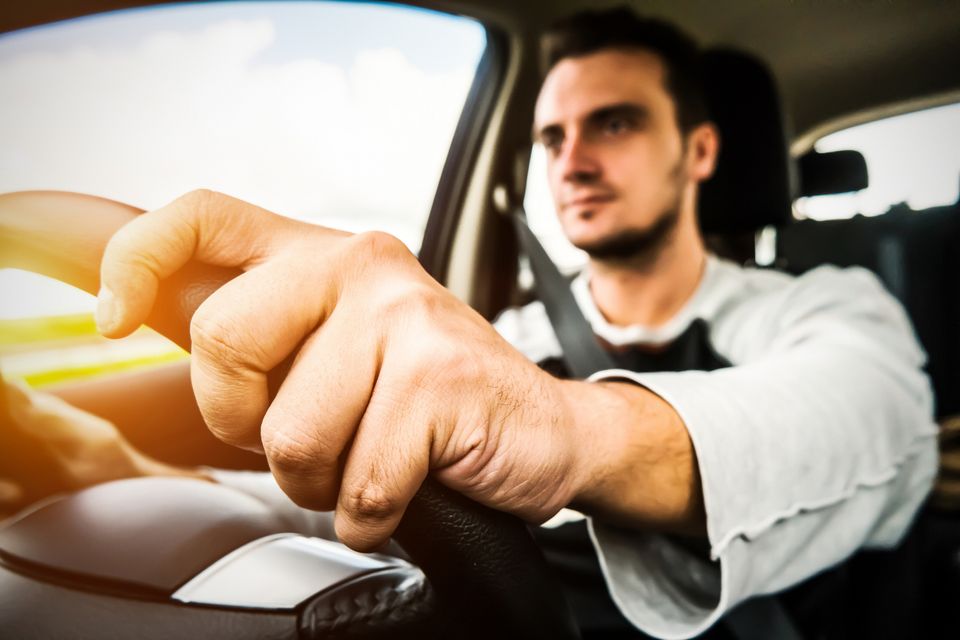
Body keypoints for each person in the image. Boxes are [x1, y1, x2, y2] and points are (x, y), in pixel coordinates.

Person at [0, 8, 938, 639]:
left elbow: (861, 422)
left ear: (697, 151)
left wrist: (558, 428)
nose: (572, 160)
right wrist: (75, 454)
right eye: (553, 137)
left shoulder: (822, 307)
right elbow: (329, 511)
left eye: (613, 124)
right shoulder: (511, 338)